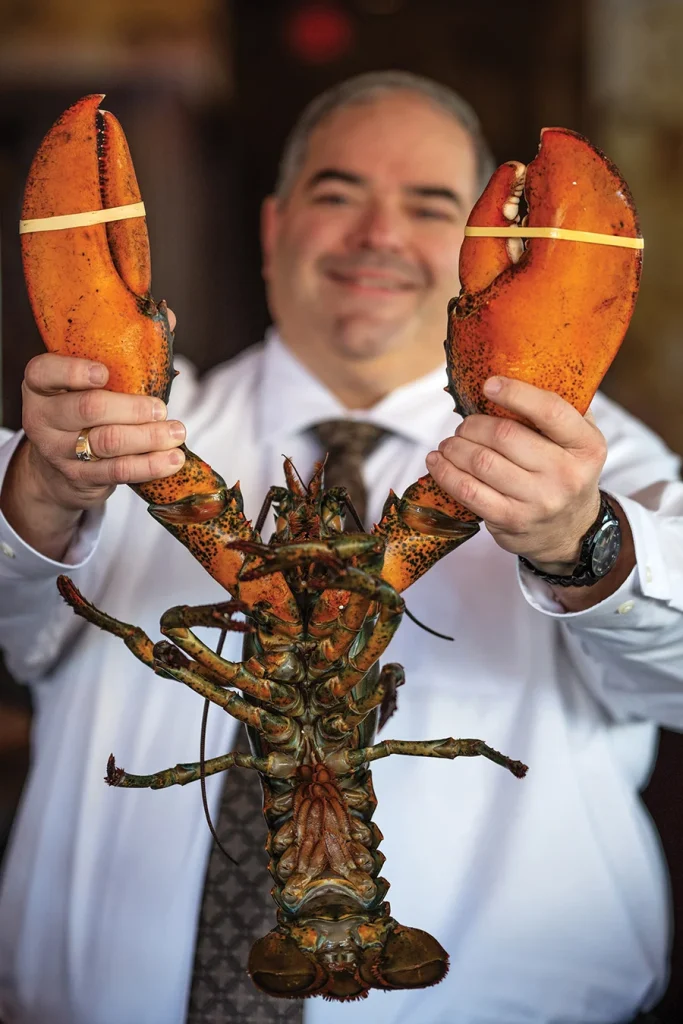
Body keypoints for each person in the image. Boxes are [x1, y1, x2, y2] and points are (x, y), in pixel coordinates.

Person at [0, 70, 681, 1024]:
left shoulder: (592, 459)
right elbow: (15, 633)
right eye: (337, 193)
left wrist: (583, 541)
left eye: (429, 204)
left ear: (485, 252)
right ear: (275, 229)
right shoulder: (101, 430)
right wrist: (31, 496)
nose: (377, 234)